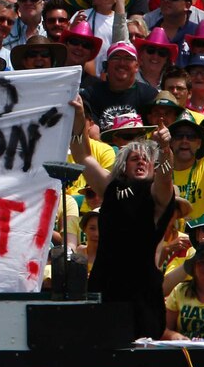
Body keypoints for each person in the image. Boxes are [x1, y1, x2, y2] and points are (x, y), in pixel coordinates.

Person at [69, 94, 176, 340]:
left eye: (146, 159)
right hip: (106, 286)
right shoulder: (111, 187)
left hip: (142, 292)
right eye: (134, 158)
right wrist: (78, 118)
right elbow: (82, 156)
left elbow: (165, 176)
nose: (140, 161)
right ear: (123, 166)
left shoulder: (158, 194)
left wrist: (164, 149)